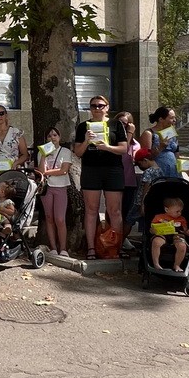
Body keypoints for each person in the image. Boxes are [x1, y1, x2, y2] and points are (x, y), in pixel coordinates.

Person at [72, 96, 127, 259]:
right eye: (93, 106)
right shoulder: (83, 126)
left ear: (107, 107)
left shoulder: (116, 124)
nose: (97, 108)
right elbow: (78, 152)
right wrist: (86, 141)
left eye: (100, 105)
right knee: (91, 210)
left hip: (113, 170)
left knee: (114, 210)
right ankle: (91, 248)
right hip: (91, 170)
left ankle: (116, 247)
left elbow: (124, 149)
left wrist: (107, 147)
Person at [36, 126, 74, 257]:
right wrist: (43, 155)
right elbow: (40, 171)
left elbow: (63, 170)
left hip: (61, 186)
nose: (52, 138)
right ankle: (53, 247)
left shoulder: (65, 151)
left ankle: (63, 248)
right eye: (49, 136)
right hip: (47, 188)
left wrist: (46, 172)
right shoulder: (41, 152)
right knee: (49, 217)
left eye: (55, 135)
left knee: (60, 218)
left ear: (59, 137)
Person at [148, 196, 189, 272]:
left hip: (177, 235)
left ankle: (177, 265)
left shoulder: (182, 219)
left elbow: (185, 230)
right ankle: (156, 264)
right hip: (162, 234)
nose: (179, 213)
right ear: (167, 209)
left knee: (182, 246)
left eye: (181, 211)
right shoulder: (159, 217)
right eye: (177, 211)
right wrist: (153, 230)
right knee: (156, 242)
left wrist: (188, 232)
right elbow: (152, 228)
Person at [139, 106, 181, 179]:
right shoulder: (149, 133)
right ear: (161, 119)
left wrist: (184, 168)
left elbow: (177, 155)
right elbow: (146, 158)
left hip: (174, 173)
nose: (174, 120)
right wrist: (160, 147)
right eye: (171, 118)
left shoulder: (171, 133)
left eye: (175, 118)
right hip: (158, 174)